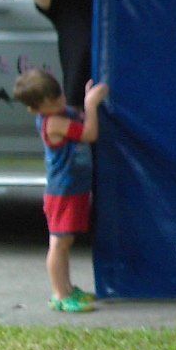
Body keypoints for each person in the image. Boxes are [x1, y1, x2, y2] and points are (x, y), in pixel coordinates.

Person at [13, 68, 109, 312]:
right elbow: (89, 133)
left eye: (60, 96)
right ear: (36, 109)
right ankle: (59, 294)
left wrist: (84, 104)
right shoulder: (52, 121)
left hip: (74, 189)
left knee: (66, 242)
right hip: (62, 192)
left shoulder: (60, 111)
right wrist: (91, 105)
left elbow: (77, 117)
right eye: (53, 102)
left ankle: (67, 288)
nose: (61, 102)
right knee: (59, 243)